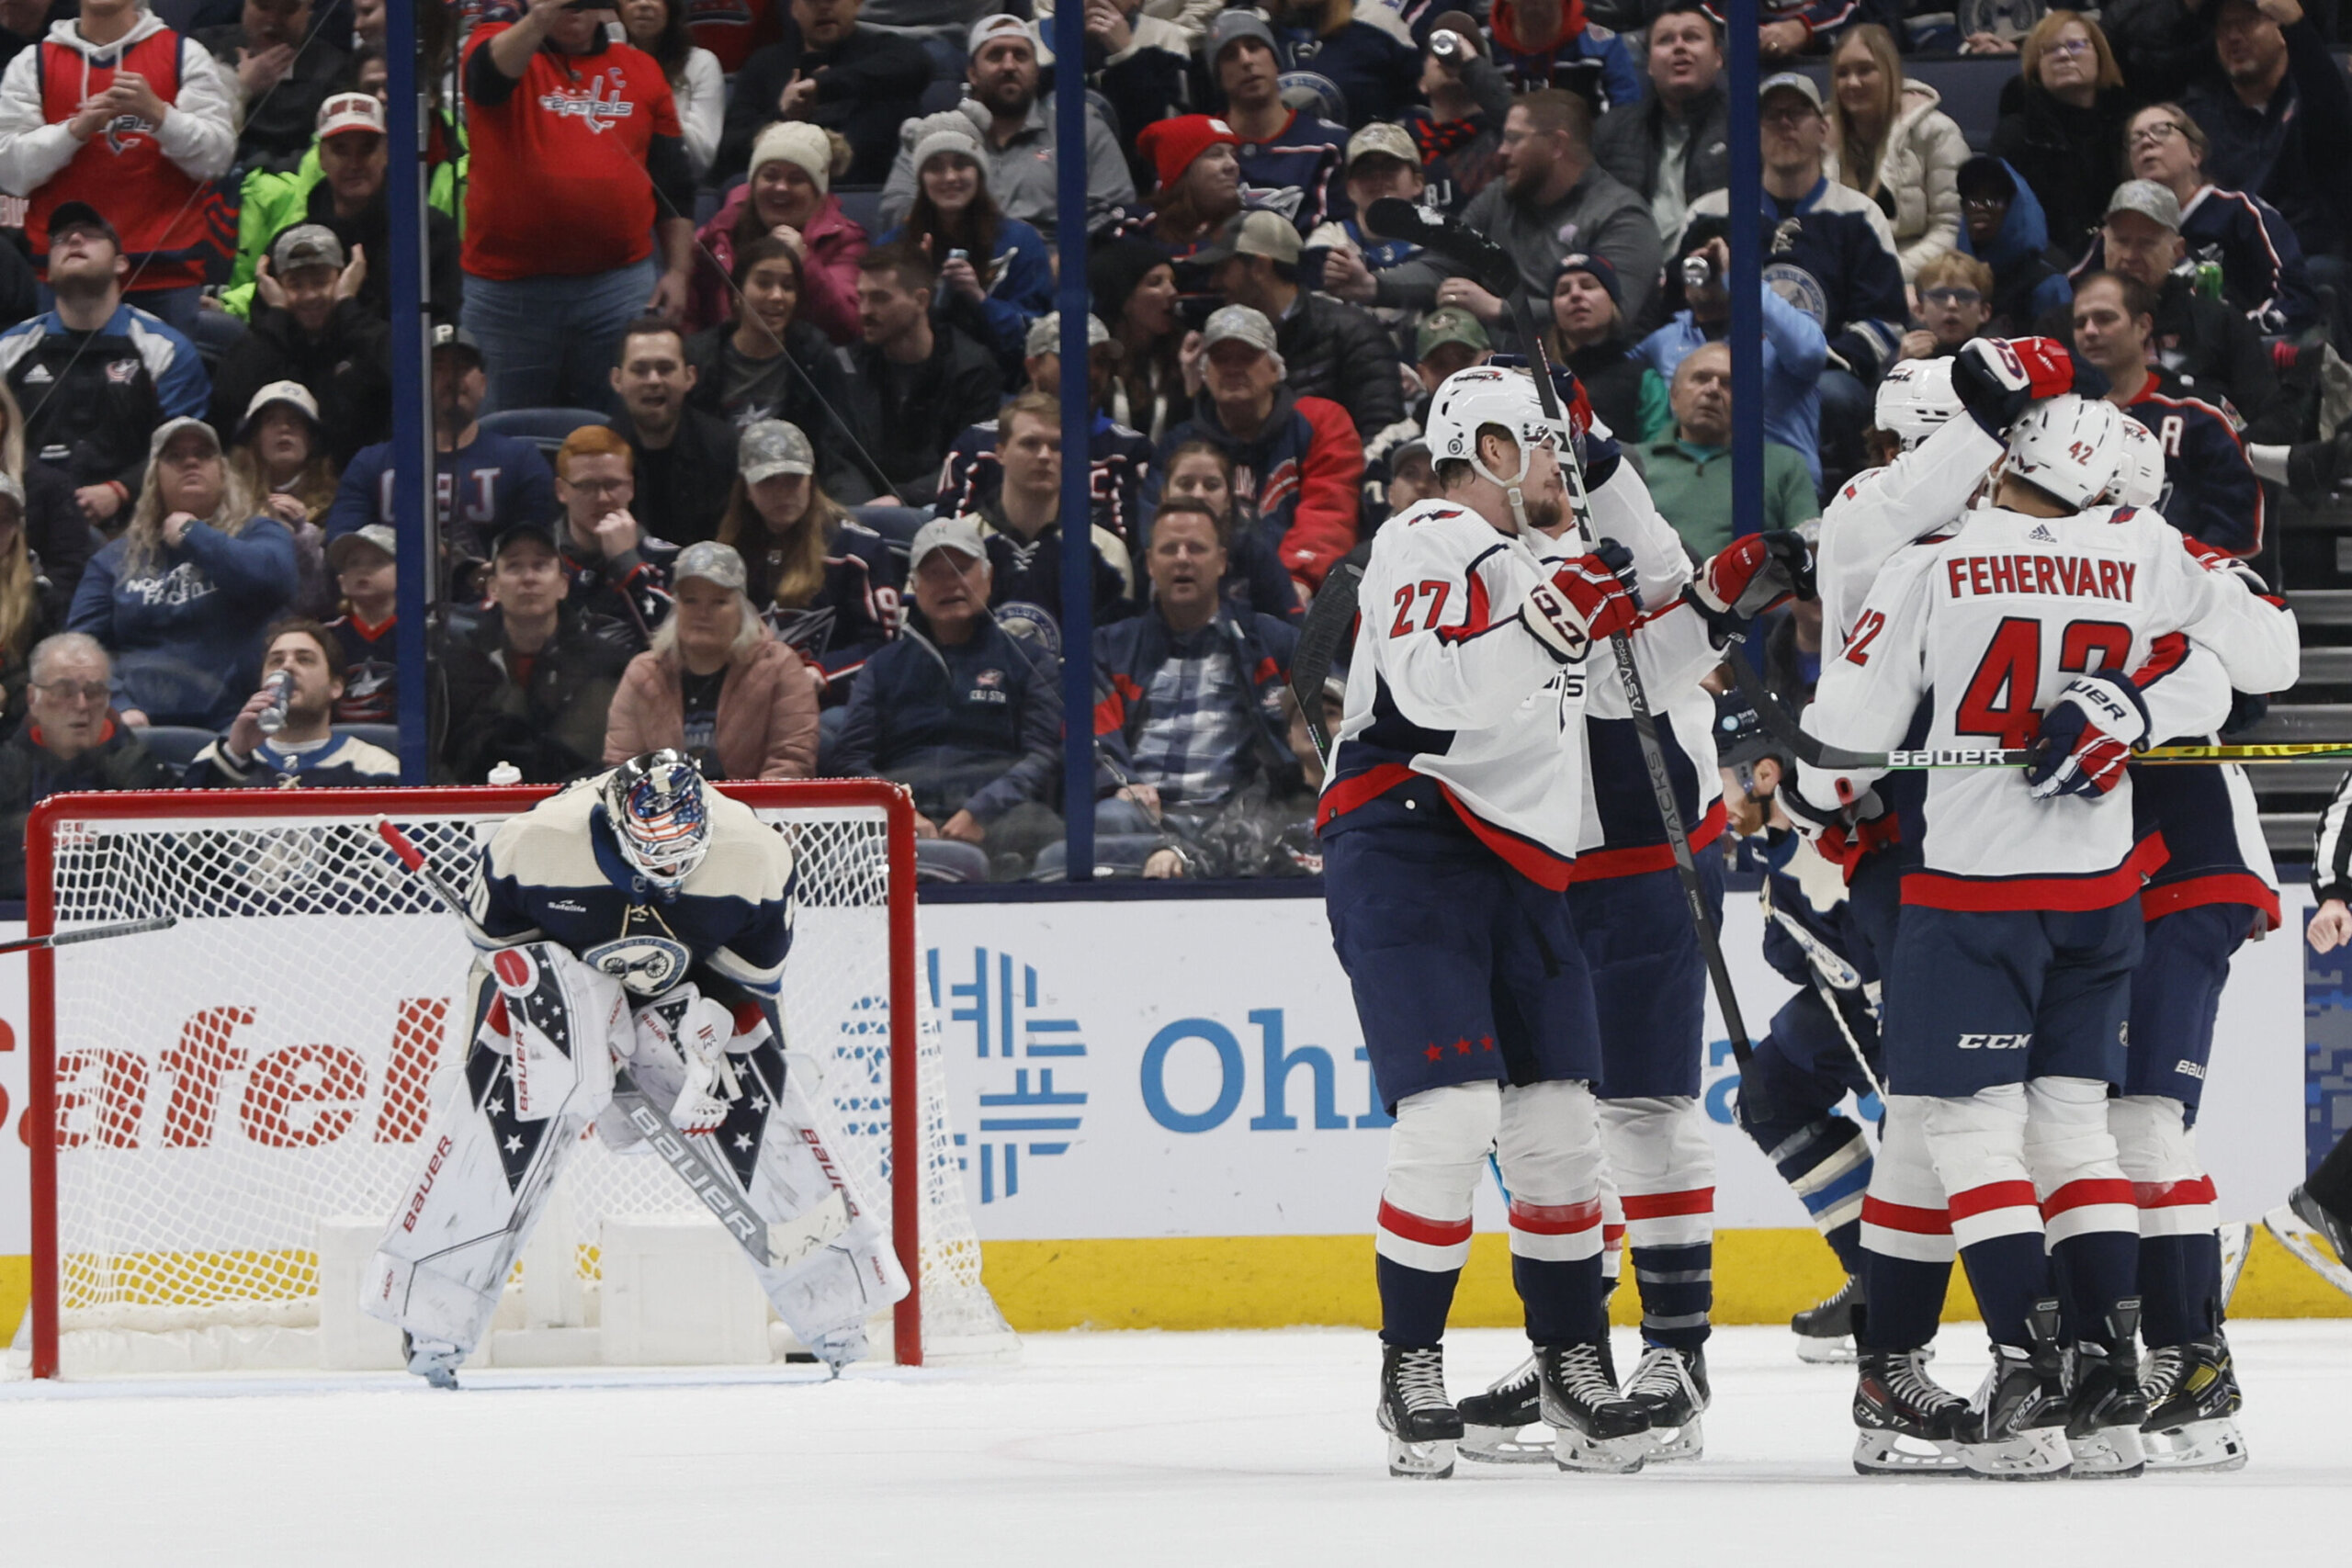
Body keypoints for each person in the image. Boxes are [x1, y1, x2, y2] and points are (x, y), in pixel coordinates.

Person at [1789, 392, 2298, 1479]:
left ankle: (2079, 1366)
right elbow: (2260, 650)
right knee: (2047, 1126)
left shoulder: (1946, 549)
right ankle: (2098, 1372)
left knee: (2037, 1124)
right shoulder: (2134, 543)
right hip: (2098, 881)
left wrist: (2132, 706)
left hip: (2023, 876)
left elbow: (1839, 742)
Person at [1317, 365, 1778, 1477]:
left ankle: (1575, 1364)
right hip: (1412, 841)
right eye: (1541, 449)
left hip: (1523, 864)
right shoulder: (1425, 536)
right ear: (1483, 447)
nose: (1563, 472)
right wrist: (1556, 616)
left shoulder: (1529, 562)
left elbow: (1629, 682)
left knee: (1560, 1125)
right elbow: (1438, 693)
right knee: (1450, 1113)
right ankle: (1408, 1369)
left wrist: (1705, 607)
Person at [368, 748, 908, 1387]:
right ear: (614, 825)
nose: (669, 872)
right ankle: (431, 1317)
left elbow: (750, 992)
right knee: (514, 1102)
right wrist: (563, 1044)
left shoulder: (755, 854)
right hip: (563, 974)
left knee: (759, 1108)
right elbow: (502, 964)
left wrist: (709, 1059)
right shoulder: (533, 842)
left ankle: (836, 1304)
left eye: (682, 856)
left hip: (690, 984)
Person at [459, 0, 695, 414]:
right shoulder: (495, 43)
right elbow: (486, 81)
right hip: (509, 293)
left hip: (616, 286)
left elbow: (674, 183)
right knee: (502, 426)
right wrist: (541, 16)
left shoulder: (640, 68)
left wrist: (677, 270)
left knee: (626, 426)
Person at [1681, 73, 1906, 490]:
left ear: (1823, 129)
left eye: (1797, 113)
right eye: (1771, 115)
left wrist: (1809, 361)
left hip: (1824, 373)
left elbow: (1885, 322)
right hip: (1723, 367)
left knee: (1830, 394)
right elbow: (1673, 314)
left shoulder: (1858, 215)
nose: (1785, 124)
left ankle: (1832, 503)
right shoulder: (1709, 215)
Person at [831, 515, 1067, 883]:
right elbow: (851, 758)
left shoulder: (1030, 661)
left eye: (962, 569)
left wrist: (980, 812)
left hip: (1000, 814)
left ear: (988, 578)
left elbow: (1042, 756)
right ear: (914, 586)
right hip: (902, 813)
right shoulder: (882, 666)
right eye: (935, 574)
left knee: (1045, 830)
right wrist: (901, 811)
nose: (950, 583)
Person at [1084, 499, 1304, 879]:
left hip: (1237, 815)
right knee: (1102, 822)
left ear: (1221, 562)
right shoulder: (1108, 647)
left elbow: (1335, 699)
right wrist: (1120, 780)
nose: (1182, 559)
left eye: (1196, 548)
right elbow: (1085, 730)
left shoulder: (1270, 641)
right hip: (1141, 818)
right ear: (1150, 563)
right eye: (1169, 549)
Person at [0, 0, 237, 332]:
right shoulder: (32, 63)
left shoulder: (185, 54)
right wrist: (75, 130)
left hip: (165, 276)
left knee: (166, 382)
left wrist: (158, 114)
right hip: (65, 278)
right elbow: (10, 172)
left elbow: (217, 158)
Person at [65, 415, 299, 728]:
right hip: (138, 724)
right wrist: (117, 704)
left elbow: (278, 579)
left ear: (222, 471)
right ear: (154, 478)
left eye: (203, 454)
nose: (191, 461)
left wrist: (194, 534)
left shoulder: (259, 532)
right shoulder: (113, 560)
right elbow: (81, 645)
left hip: (239, 723)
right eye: (175, 456)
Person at [0, 202, 207, 533]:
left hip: (138, 526)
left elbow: (188, 450)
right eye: (61, 238)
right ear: (48, 270)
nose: (75, 239)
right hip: (25, 527)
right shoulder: (8, 350)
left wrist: (121, 490)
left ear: (121, 263)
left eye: (92, 235)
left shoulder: (165, 349)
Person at [327, 322, 557, 602]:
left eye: (462, 367)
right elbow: (342, 542)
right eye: (439, 368)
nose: (452, 378)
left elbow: (542, 543)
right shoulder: (371, 464)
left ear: (483, 384)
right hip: (395, 608)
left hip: (495, 607)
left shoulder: (521, 459)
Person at [1148, 305, 1363, 598]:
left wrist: (1294, 582)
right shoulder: (1179, 444)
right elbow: (1157, 522)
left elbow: (1328, 511)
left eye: (1247, 356)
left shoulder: (1320, 423)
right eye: (1221, 358)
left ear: (1276, 368)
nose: (1233, 368)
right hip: (1202, 595)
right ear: (1204, 372)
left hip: (1300, 589)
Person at [2053, 180, 2284, 441]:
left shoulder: (2220, 322)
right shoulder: (2066, 323)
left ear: (2177, 251)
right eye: (2121, 241)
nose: (2129, 255)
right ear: (2104, 243)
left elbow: (2271, 417)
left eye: (2146, 243)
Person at [875, 16, 1132, 242]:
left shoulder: (1080, 128)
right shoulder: (937, 132)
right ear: (972, 73)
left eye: (1020, 56)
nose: (1009, 66)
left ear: (1036, 72)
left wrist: (1068, 261)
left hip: (1061, 270)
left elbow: (1116, 208)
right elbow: (895, 208)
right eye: (995, 55)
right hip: (959, 260)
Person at [226, 92, 460, 330]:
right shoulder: (289, 244)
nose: (354, 163)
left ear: (386, 153)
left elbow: (439, 337)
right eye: (340, 149)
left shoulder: (429, 234)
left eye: (367, 149)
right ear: (321, 157)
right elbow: (265, 337)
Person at [2073, 270, 2265, 557]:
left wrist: (2178, 575)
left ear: (2143, 326)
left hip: (2187, 587)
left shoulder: (2203, 413)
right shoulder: (2058, 417)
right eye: (2080, 322)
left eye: (2105, 318)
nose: (2089, 330)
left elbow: (2236, 523)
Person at [1634, 220, 1830, 491]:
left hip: (1783, 491)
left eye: (1712, 264)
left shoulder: (1782, 327)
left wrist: (1739, 276)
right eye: (1695, 263)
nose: (1704, 274)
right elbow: (1618, 374)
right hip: (1703, 489)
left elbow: (1809, 355)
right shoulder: (1666, 341)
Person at [436, 519, 635, 784]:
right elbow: (441, 761)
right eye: (514, 566)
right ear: (493, 587)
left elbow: (607, 761)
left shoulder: (606, 663)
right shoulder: (458, 665)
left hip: (575, 809)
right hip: (477, 812)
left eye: (540, 565)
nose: (528, 578)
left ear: (563, 585)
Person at [713, 419, 898, 702]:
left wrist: (821, 674)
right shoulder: (729, 553)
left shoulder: (858, 550)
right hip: (749, 698)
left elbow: (884, 647)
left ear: (811, 481)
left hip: (835, 700)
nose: (782, 493)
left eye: (793, 479)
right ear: (747, 490)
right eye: (768, 481)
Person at [935, 311, 1156, 546]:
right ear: (1033, 367)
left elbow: (1137, 553)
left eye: (1100, 361)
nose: (1091, 373)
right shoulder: (977, 445)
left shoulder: (1131, 450)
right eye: (1074, 358)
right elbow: (945, 544)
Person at [604, 539, 817, 781]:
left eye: (719, 602)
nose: (702, 612)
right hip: (661, 813)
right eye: (690, 600)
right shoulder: (642, 673)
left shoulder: (780, 666)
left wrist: (743, 814)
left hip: (754, 813)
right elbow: (622, 766)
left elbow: (791, 761)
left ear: (743, 609)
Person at [2104, 102, 2318, 339]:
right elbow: (2081, 296)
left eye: (2162, 130)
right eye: (2136, 138)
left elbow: (2295, 296)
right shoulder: (2115, 231)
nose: (2146, 141)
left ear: (2196, 154)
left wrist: (2237, 338)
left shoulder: (2240, 211)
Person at [681, 236, 871, 502]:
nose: (777, 296)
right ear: (736, 293)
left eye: (788, 286)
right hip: (715, 492)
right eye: (763, 283)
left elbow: (834, 450)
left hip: (794, 493)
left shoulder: (816, 356)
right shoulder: (697, 356)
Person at [1452, 89, 1659, 330]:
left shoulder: (1621, 214)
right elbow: (1440, 263)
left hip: (1593, 364)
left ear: (1557, 144)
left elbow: (1613, 313)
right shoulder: (1499, 197)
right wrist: (1396, 281)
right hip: (1500, 361)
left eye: (1514, 138)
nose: (1502, 150)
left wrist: (1500, 309)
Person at [875, 112, 1053, 383]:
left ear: (979, 172)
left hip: (1001, 386)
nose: (949, 177)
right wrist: (913, 288)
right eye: (935, 167)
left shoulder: (1021, 241)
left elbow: (1035, 336)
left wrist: (980, 300)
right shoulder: (894, 246)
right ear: (921, 179)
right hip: (915, 387)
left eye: (961, 164)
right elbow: (874, 333)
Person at [1199, 209, 1404, 443]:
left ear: (1259, 267)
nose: (1214, 282)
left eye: (1223, 269)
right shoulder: (1218, 341)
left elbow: (1382, 438)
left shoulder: (1354, 334)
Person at [2186, 0, 2352, 283]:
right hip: (2237, 270)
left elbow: (2330, 117)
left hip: (2316, 258)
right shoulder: (2199, 118)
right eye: (2225, 26)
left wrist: (2298, 27)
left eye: (2248, 22)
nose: (2234, 36)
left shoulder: (2323, 85)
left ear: (2282, 29)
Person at [0, 631, 175, 897]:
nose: (82, 705)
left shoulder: (141, 771)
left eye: (94, 692)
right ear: (32, 699)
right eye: (64, 691)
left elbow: (182, 865)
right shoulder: (6, 769)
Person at [209, 223, 390, 468]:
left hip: (358, 481)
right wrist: (276, 316)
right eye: (295, 285)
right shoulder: (263, 341)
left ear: (345, 278)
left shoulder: (367, 334)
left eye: (320, 281)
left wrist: (348, 306)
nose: (309, 295)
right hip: (273, 487)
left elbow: (402, 374)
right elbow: (228, 400)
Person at [839, 244, 1001, 511]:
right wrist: (863, 509)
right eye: (862, 297)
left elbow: (971, 459)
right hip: (859, 510)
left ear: (921, 300)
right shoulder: (847, 366)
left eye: (880, 298)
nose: (864, 311)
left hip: (940, 511)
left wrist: (901, 500)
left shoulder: (972, 368)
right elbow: (839, 457)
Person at [715, 0, 930, 187]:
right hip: (782, 188)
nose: (823, 8)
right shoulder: (764, 64)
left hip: (861, 184)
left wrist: (822, 86)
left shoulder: (888, 51)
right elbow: (731, 147)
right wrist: (783, 115)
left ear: (857, 2)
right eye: (811, 0)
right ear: (794, 8)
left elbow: (919, 65)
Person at [687, 120, 864, 345]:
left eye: (796, 179)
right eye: (770, 176)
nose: (780, 187)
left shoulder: (845, 239)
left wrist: (806, 266)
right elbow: (689, 315)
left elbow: (846, 328)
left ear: (818, 191)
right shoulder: (719, 232)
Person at [1632, 344, 1818, 555]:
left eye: (1728, 383)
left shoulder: (1784, 464)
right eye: (1701, 378)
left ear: (1747, 402)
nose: (1712, 389)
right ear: (1674, 396)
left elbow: (1811, 548)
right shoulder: (1633, 462)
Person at [967, 391, 1132, 628]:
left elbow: (1115, 653)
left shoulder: (1107, 551)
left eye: (1057, 446)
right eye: (1030, 443)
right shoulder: (958, 543)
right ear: (1000, 453)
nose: (1045, 456)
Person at [1824, 23, 1966, 284]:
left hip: (1916, 282)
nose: (1852, 82)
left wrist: (1886, 273)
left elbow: (1950, 228)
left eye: (1865, 70)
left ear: (1889, 72)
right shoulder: (1822, 139)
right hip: (1839, 280)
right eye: (1842, 73)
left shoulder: (1937, 132)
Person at [186, 615, 399, 786]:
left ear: (335, 687)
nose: (286, 667)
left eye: (304, 659)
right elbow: (182, 836)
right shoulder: (217, 758)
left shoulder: (375, 767)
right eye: (276, 660)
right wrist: (235, 754)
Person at [1990, 11, 2136, 257]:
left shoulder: (2131, 126)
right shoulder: (2015, 135)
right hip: (2048, 268)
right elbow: (2009, 224)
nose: (2065, 55)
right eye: (2050, 50)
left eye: (2076, 45)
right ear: (2036, 67)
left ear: (2100, 55)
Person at [1592, 2, 1726, 246]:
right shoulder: (1611, 131)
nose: (1679, 47)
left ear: (1718, 57)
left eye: (1692, 37)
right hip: (1634, 269)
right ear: (1650, 65)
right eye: (1665, 40)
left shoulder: (1748, 127)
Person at [1204, 8, 1350, 233]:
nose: (1246, 61)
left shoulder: (1329, 145)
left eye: (1254, 47)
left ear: (1275, 61)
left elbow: (1337, 238)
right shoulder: (1195, 147)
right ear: (1218, 77)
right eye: (1230, 55)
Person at [606, 317, 739, 548]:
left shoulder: (726, 448)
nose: (654, 380)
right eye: (639, 370)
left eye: (665, 369)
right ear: (617, 380)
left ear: (690, 377)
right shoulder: (600, 453)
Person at [551, 424, 677, 650]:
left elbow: (674, 648)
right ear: (561, 490)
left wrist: (628, 564)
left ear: (630, 487)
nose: (602, 498)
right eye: (586, 486)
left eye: (612, 484)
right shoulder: (537, 560)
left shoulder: (673, 561)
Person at [197, 0, 345, 175]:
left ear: (308, 12)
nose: (274, 20)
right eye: (263, 6)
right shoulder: (202, 51)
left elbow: (327, 151)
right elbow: (193, 135)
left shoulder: (334, 69)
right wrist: (241, 87)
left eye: (289, 10)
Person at [226, 379, 334, 618]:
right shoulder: (226, 499)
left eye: (295, 421)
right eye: (271, 421)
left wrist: (304, 535)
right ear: (254, 437)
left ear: (312, 438)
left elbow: (325, 597)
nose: (284, 428)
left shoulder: (336, 503)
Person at [1158, 446, 1300, 624]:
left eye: (1212, 486)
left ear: (1228, 499)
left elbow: (1295, 631)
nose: (1199, 494)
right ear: (1165, 494)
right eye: (1186, 484)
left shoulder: (1255, 553)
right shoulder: (1148, 557)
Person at [1544, 252, 1665, 445]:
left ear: (1612, 303)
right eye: (1563, 291)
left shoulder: (1642, 379)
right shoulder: (1537, 380)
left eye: (1588, 286)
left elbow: (1657, 452)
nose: (1575, 295)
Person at [1399, 7, 1511, 215]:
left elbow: (1517, 125)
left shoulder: (1505, 139)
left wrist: (1470, 66)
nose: (1451, 58)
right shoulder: (1404, 147)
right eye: (1438, 50)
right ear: (1422, 82)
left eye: (1463, 51)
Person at [1954, 155, 2074, 339]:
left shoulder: (2047, 285)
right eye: (1972, 201)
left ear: (2016, 207)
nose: (1979, 208)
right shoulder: (1955, 278)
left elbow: (2062, 359)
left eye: (1991, 200)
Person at [0, 379, 92, 610]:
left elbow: (68, 572)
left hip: (27, 617)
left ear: (3, 418)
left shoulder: (50, 486)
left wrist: (28, 609)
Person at [1091, 240, 1190, 443]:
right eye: (1155, 282)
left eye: (1173, 282)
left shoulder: (1182, 357)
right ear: (1123, 298)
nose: (1172, 292)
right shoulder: (1094, 362)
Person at [1116, 112, 1247, 259]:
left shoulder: (1251, 224)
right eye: (1215, 155)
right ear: (1180, 171)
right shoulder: (1136, 226)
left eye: (1233, 155)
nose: (1233, 165)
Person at [617, 0, 722, 180]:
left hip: (671, 182)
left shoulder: (700, 63)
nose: (644, 4)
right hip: (608, 177)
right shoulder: (600, 61)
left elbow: (702, 158)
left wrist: (654, 102)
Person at [322, 522, 393, 726]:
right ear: (341, 581)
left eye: (377, 562)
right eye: (353, 563)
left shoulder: (422, 633)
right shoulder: (324, 637)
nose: (363, 570)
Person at [0, 471, 56, 728]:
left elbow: (51, 683)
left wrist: (9, 694)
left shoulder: (39, 597)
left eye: (3, 520)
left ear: (16, 529)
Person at [1897, 254, 1996, 362]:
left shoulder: (1997, 359)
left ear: (1983, 312)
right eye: (1939, 296)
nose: (1951, 304)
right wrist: (1902, 365)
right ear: (1920, 311)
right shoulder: (1907, 353)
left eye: (1964, 296)